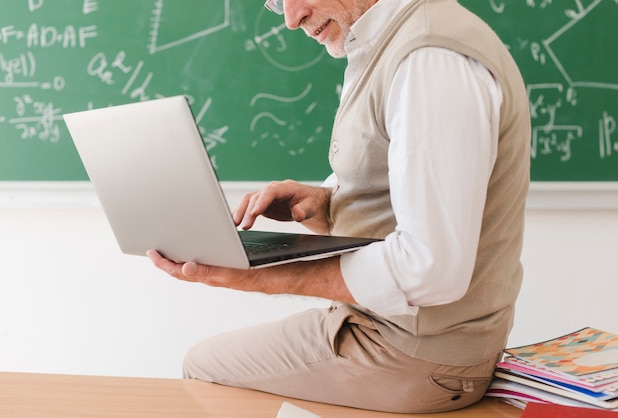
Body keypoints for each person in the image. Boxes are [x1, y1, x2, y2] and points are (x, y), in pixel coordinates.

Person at [147, 0, 531, 413]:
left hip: (417, 355)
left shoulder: (429, 60)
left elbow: (432, 268)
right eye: (277, 3)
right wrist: (325, 205)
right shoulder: (390, 42)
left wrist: (265, 277)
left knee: (202, 367)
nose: (292, 19)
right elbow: (406, 196)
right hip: (392, 334)